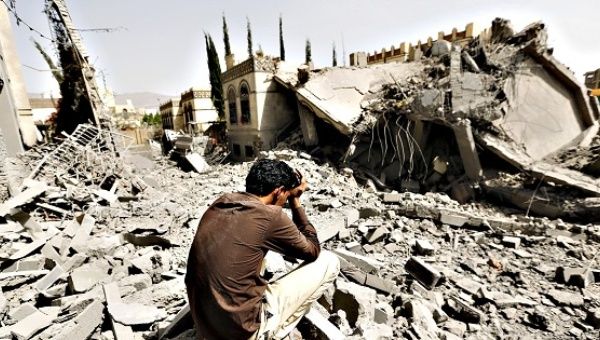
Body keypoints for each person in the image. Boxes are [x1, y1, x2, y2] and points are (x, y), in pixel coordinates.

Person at [185, 159, 340, 340]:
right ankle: (270, 333)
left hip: (205, 326)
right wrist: (296, 201)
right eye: (285, 196)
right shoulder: (270, 215)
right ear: (279, 191)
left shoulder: (222, 202)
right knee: (329, 261)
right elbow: (312, 251)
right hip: (243, 332)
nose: (285, 201)